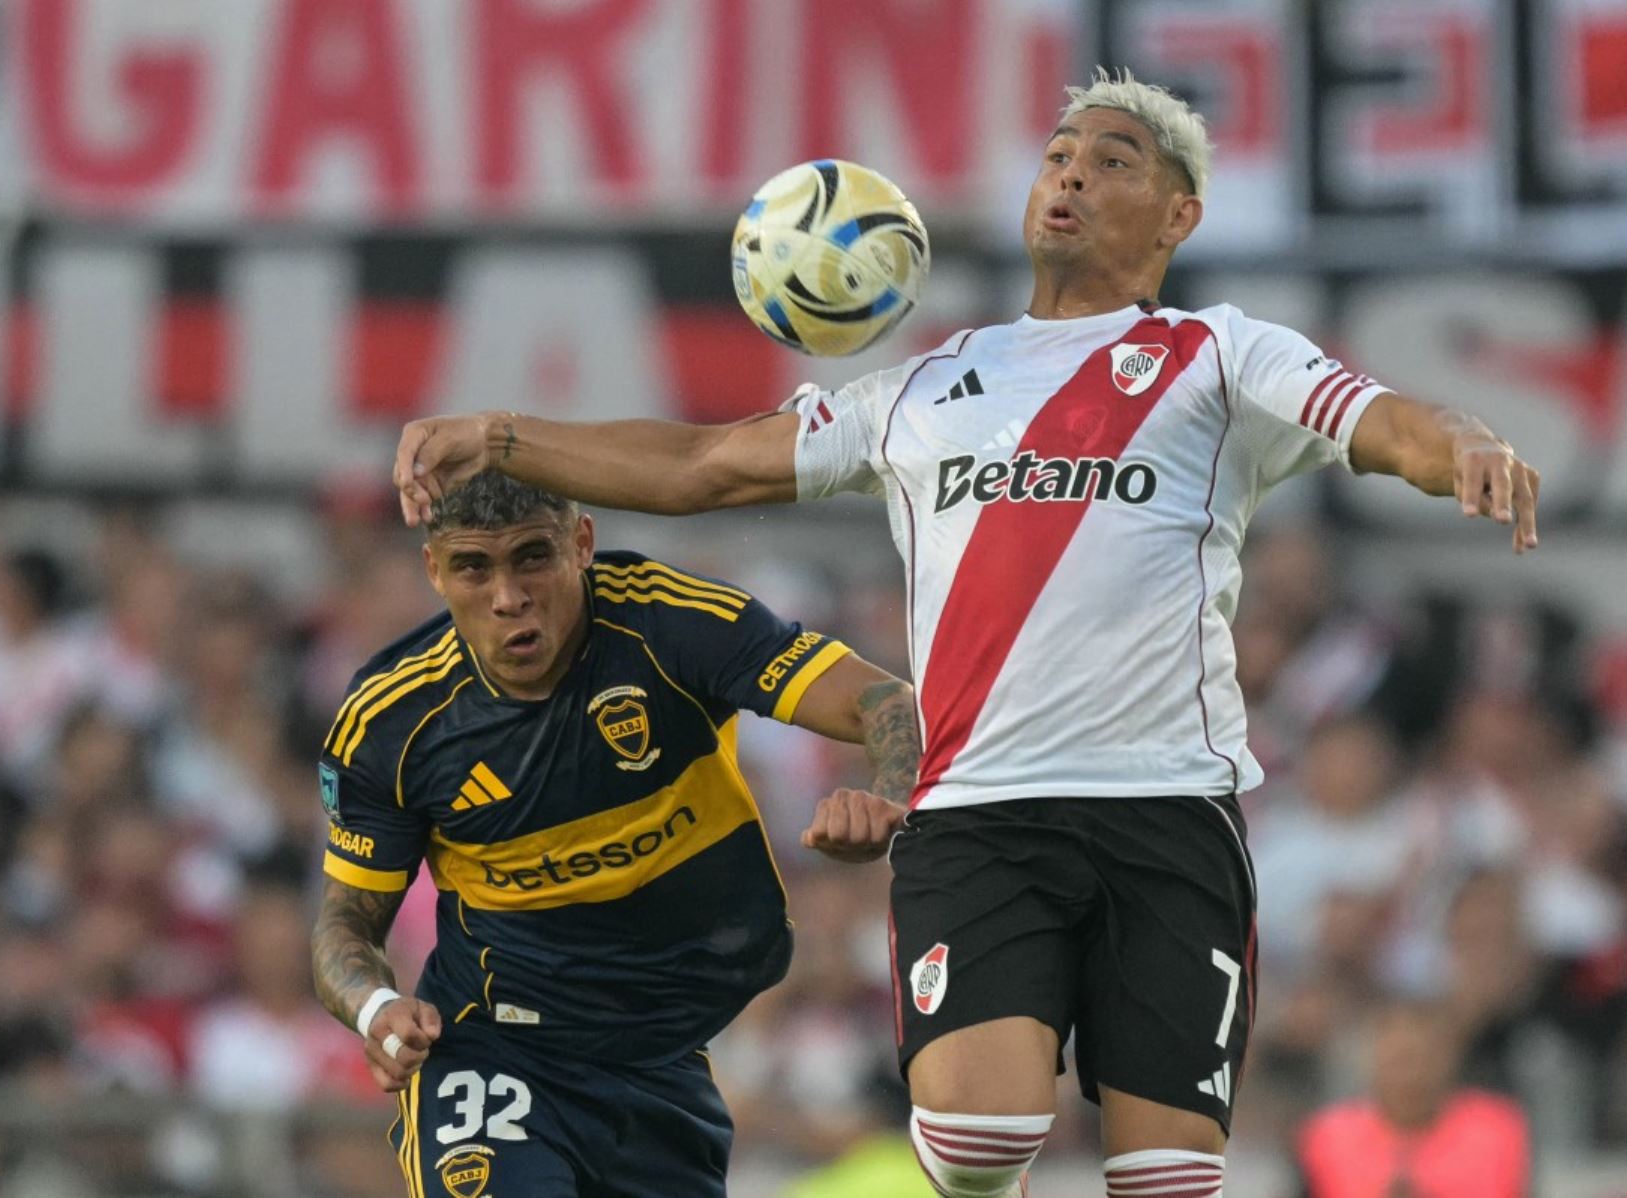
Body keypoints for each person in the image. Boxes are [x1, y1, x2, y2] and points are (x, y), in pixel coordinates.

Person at [390, 68, 1543, 1198]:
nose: (1071, 176)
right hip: (979, 816)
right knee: (980, 1140)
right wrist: (501, 436)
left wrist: (1468, 443)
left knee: (1167, 1177)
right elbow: (703, 463)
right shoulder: (923, 389)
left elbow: (1384, 422)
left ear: (1179, 213)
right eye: (1058, 157)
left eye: (1111, 160)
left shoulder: (1223, 356)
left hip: (1167, 813)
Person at [310, 469, 916, 1198]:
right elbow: (345, 924)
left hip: (663, 1061)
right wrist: (376, 1009)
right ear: (435, 571)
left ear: (583, 544)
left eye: (532, 557)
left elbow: (885, 701)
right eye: (474, 567)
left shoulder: (670, 625)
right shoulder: (392, 723)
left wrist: (888, 799)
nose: (508, 597)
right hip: (497, 1048)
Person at [1295, 999, 1531, 1197]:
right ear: (1372, 1062)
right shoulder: (1327, 1137)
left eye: (1420, 1058)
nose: (1409, 1076)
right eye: (1399, 1060)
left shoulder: (1496, 1130)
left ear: (1448, 1059)